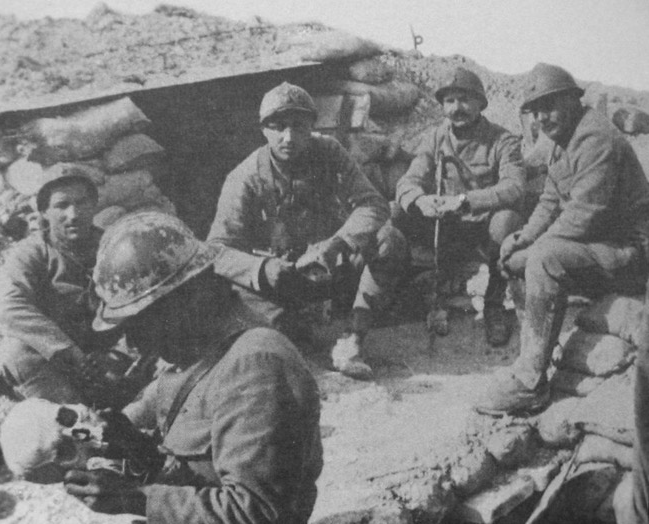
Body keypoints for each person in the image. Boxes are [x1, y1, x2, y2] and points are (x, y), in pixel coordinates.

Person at [62, 211, 323, 523]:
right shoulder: (192, 359)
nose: (134, 341)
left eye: (138, 323)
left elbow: (258, 512)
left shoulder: (253, 364)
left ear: (181, 300)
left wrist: (134, 498)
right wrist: (136, 446)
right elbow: (196, 474)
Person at [475, 63, 649, 416]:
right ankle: (538, 351)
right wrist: (522, 237)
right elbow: (550, 201)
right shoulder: (561, 139)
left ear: (573, 100)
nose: (541, 117)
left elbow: (583, 216)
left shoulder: (596, 139)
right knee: (516, 255)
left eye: (549, 106)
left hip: (629, 254)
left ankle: (530, 384)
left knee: (544, 258)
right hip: (596, 248)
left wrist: (536, 248)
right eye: (535, 111)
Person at [207, 81, 408, 380]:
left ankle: (352, 337)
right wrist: (263, 269)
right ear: (264, 129)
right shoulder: (245, 177)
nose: (289, 137)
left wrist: (339, 243)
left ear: (312, 126)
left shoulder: (329, 153)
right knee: (261, 329)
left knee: (389, 240)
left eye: (299, 126)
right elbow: (217, 251)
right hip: (282, 281)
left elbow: (374, 205)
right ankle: (297, 333)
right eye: (279, 126)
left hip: (330, 267)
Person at [394, 66, 526, 345]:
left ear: (480, 103)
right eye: (450, 101)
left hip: (484, 225)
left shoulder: (503, 140)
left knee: (507, 221)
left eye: (465, 99)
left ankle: (494, 304)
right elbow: (409, 180)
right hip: (448, 224)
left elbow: (514, 186)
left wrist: (466, 202)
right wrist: (420, 200)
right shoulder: (435, 138)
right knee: (395, 211)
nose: (458, 108)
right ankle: (426, 298)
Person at [0, 170, 117, 404]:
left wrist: (114, 355)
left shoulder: (111, 246)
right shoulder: (31, 253)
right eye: (62, 205)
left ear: (94, 205)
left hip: (102, 355)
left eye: (82, 203)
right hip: (53, 359)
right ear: (44, 212)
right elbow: (9, 307)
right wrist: (68, 351)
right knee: (18, 353)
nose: (74, 214)